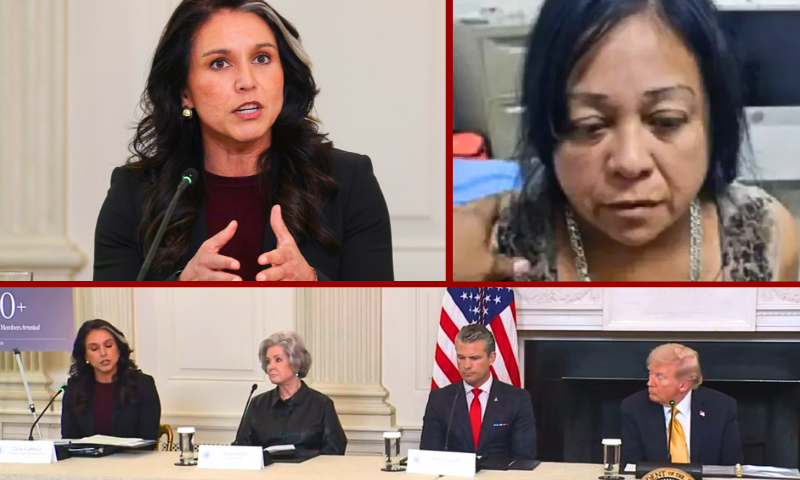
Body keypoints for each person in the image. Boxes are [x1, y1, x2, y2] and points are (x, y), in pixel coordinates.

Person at [453, 0, 798, 281]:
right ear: (548, 130)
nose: (630, 162)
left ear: (713, 119)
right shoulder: (488, 252)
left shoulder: (769, 238)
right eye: (588, 125)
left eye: (667, 120)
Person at [94, 0, 393, 281]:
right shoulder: (133, 193)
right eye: (220, 63)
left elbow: (379, 296)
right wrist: (180, 284)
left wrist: (312, 282)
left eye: (262, 58)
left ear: (284, 74)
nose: (247, 81)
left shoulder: (349, 180)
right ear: (184, 92)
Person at [419, 324, 536, 459]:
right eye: (461, 358)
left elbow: (524, 457)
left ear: (491, 358)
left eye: (474, 358)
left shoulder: (517, 399)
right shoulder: (440, 399)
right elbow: (428, 455)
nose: (466, 365)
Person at [621, 343, 743, 467]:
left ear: (683, 385)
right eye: (650, 374)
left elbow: (731, 467)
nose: (650, 383)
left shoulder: (721, 407)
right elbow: (632, 467)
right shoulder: (634, 407)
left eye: (660, 377)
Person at [234, 331, 347, 455]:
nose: (271, 367)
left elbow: (335, 448)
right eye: (268, 361)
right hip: (268, 473)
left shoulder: (321, 404)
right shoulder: (258, 404)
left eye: (278, 360)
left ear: (296, 363)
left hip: (309, 473)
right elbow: (241, 448)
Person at [61, 319, 161, 441]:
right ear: (85, 355)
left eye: (108, 345)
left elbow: (149, 439)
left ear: (119, 349)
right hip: (87, 459)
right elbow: (69, 440)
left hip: (132, 459)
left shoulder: (143, 386)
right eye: (94, 348)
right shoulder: (74, 389)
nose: (103, 353)